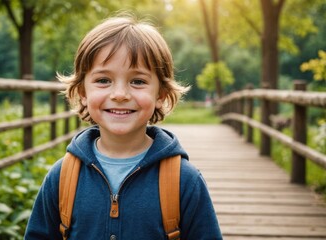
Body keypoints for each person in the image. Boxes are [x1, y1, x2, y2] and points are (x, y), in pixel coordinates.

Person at [24, 14, 222, 240]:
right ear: (82, 93)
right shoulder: (62, 177)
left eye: (137, 81)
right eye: (103, 80)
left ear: (161, 94)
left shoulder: (184, 181)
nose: (119, 95)